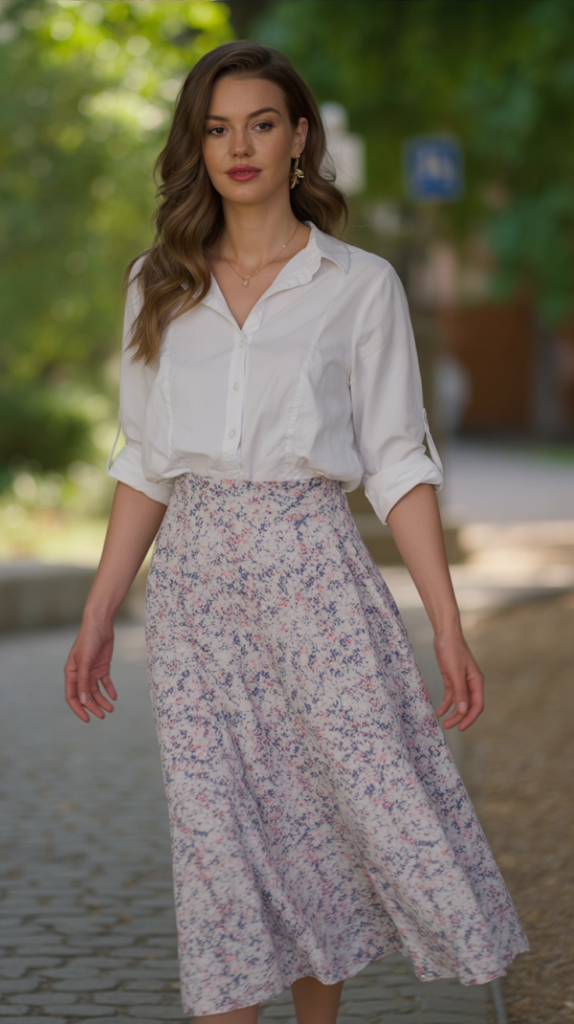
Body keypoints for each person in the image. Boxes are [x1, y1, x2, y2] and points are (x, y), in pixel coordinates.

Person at [64, 40, 528, 1024]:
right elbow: (144, 459)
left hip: (316, 575)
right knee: (217, 839)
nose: (238, 146)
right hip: (194, 593)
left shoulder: (359, 286)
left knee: (318, 824)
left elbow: (399, 457)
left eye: (261, 124)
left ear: (298, 140)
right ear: (196, 144)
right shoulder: (158, 282)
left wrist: (445, 624)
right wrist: (101, 610)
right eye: (216, 127)